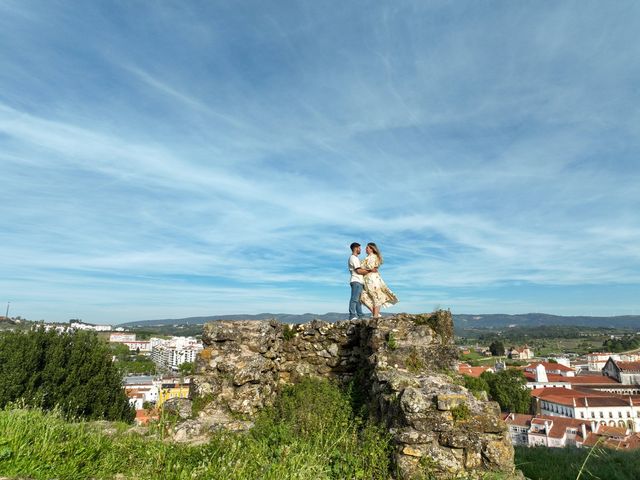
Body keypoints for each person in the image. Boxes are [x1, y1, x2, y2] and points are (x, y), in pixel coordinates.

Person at [360, 242, 398, 319]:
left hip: (372, 278)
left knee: (375, 296)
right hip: (366, 279)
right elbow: (367, 269)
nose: (365, 249)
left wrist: (365, 270)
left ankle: (376, 315)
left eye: (367, 248)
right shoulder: (366, 258)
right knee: (362, 297)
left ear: (372, 249)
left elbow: (372, 268)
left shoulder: (374, 257)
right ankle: (375, 313)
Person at [348, 242, 375, 320]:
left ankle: (360, 315)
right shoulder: (353, 258)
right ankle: (352, 315)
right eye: (359, 248)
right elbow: (359, 271)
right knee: (354, 299)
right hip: (356, 281)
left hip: (359, 281)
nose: (360, 250)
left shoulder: (356, 258)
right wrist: (370, 271)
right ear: (355, 248)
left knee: (359, 300)